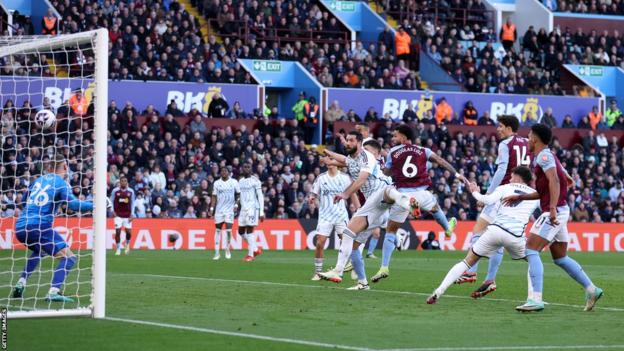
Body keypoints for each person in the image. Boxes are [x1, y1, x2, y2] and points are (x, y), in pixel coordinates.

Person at [503, 124, 603, 312]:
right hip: (560, 209)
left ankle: (536, 300)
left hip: (555, 211)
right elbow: (556, 183)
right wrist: (521, 197)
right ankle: (592, 289)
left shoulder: (544, 156)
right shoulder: (547, 156)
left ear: (535, 138)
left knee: (531, 249)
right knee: (560, 257)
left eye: (530, 135)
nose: (528, 139)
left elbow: (555, 181)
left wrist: (552, 209)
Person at [318, 131, 415, 290]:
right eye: (346, 140)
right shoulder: (354, 159)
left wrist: (345, 194)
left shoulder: (367, 157)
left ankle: (407, 203)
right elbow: (344, 160)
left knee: (349, 231)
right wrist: (328, 154)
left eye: (351, 140)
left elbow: (361, 179)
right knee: (354, 244)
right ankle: (362, 283)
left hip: (378, 198)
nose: (347, 143)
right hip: (378, 209)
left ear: (359, 143)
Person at [427, 166, 538, 304]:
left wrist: (474, 192)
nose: (509, 179)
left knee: (466, 261)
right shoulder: (535, 195)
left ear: (517, 177)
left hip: (495, 231)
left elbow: (487, 200)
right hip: (515, 236)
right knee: (534, 261)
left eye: (512, 176)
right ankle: (533, 299)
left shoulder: (505, 187)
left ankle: (438, 291)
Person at [372, 125, 464, 284]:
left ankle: (384, 267)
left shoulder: (393, 152)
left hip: (402, 195)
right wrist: (456, 173)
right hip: (422, 193)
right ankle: (447, 229)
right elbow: (440, 161)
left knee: (390, 231)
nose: (393, 139)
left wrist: (387, 165)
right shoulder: (423, 150)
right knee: (435, 208)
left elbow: (386, 173)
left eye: (396, 135)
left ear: (404, 137)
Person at [458, 115, 532, 298]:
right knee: (495, 234)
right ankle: (489, 280)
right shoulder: (527, 142)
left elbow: (501, 169)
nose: (497, 129)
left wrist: (488, 195)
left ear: (509, 128)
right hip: (521, 193)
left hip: (503, 194)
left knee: (479, 230)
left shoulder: (506, 144)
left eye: (500, 126)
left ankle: (471, 271)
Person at [12, 154, 93, 302]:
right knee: (69, 257)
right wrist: (95, 204)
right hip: (39, 226)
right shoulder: (60, 183)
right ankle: (53, 292)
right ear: (65, 167)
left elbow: (24, 201)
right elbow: (73, 205)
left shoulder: (38, 180)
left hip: (20, 226)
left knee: (39, 251)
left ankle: (20, 283)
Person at [308, 163, 353, 280]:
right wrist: (312, 197)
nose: (329, 161)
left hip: (341, 215)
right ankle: (318, 272)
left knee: (347, 242)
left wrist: (356, 206)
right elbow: (314, 192)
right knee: (319, 243)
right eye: (328, 159)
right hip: (325, 215)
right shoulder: (321, 178)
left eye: (332, 159)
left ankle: (348, 267)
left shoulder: (344, 177)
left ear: (337, 163)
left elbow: (352, 192)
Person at [211, 167, 240, 260]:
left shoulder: (234, 182)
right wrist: (212, 208)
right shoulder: (217, 183)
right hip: (219, 210)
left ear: (229, 173)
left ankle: (227, 248)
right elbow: (214, 196)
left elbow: (238, 194)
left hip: (229, 210)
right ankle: (216, 252)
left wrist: (236, 205)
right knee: (218, 230)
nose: (223, 173)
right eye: (222, 171)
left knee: (228, 230)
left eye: (225, 171)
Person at [238, 163, 264, 262]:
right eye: (245, 167)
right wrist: (237, 205)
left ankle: (250, 255)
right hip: (243, 209)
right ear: (242, 168)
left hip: (253, 208)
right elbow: (239, 196)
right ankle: (255, 249)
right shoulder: (240, 181)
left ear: (251, 169)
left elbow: (260, 196)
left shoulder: (255, 181)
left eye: (248, 167)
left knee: (249, 231)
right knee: (240, 232)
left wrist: (261, 211)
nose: (246, 168)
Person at [111, 176, 136, 256]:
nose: (123, 182)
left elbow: (133, 203)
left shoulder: (131, 191)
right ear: (120, 182)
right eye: (122, 181)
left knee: (128, 232)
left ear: (127, 182)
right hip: (118, 215)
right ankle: (118, 249)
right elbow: (111, 201)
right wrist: (112, 211)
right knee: (117, 232)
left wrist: (132, 214)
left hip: (127, 215)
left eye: (125, 181)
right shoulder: (115, 191)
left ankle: (127, 244)